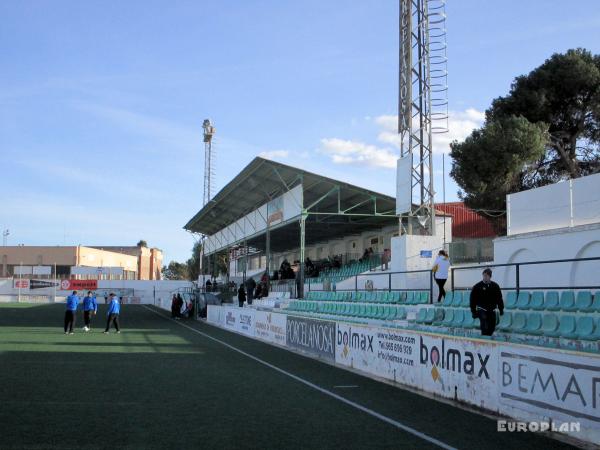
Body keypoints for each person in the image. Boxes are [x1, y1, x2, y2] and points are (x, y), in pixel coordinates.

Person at [470, 268, 504, 336]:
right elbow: (472, 300)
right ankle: (484, 338)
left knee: (492, 327)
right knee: (484, 325)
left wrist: (501, 309)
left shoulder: (495, 286)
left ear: (490, 276)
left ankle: (488, 338)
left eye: (486, 276)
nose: (484, 277)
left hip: (492, 309)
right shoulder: (477, 286)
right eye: (484, 275)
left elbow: (499, 299)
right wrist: (473, 311)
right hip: (482, 309)